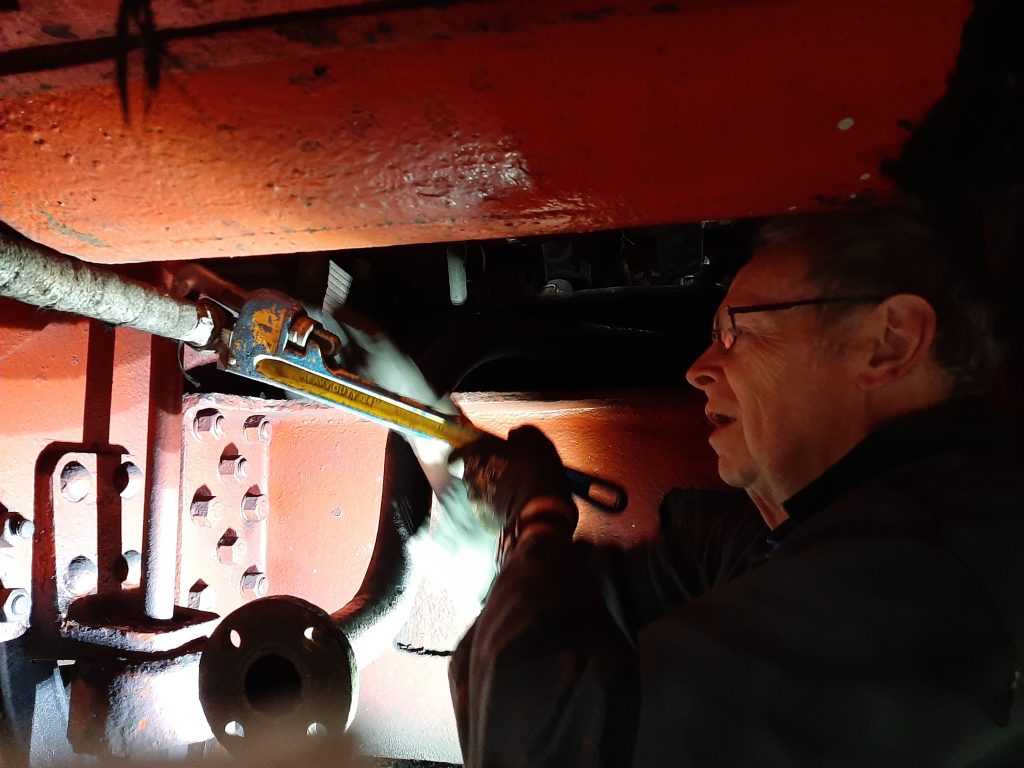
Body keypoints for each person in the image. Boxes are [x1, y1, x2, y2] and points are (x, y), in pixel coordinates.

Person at [446, 209, 1024, 766]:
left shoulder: (925, 573)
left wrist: (539, 515)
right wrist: (528, 550)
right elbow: (527, 646)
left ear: (888, 342)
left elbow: (536, 748)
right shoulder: (825, 532)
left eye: (733, 332)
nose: (697, 368)